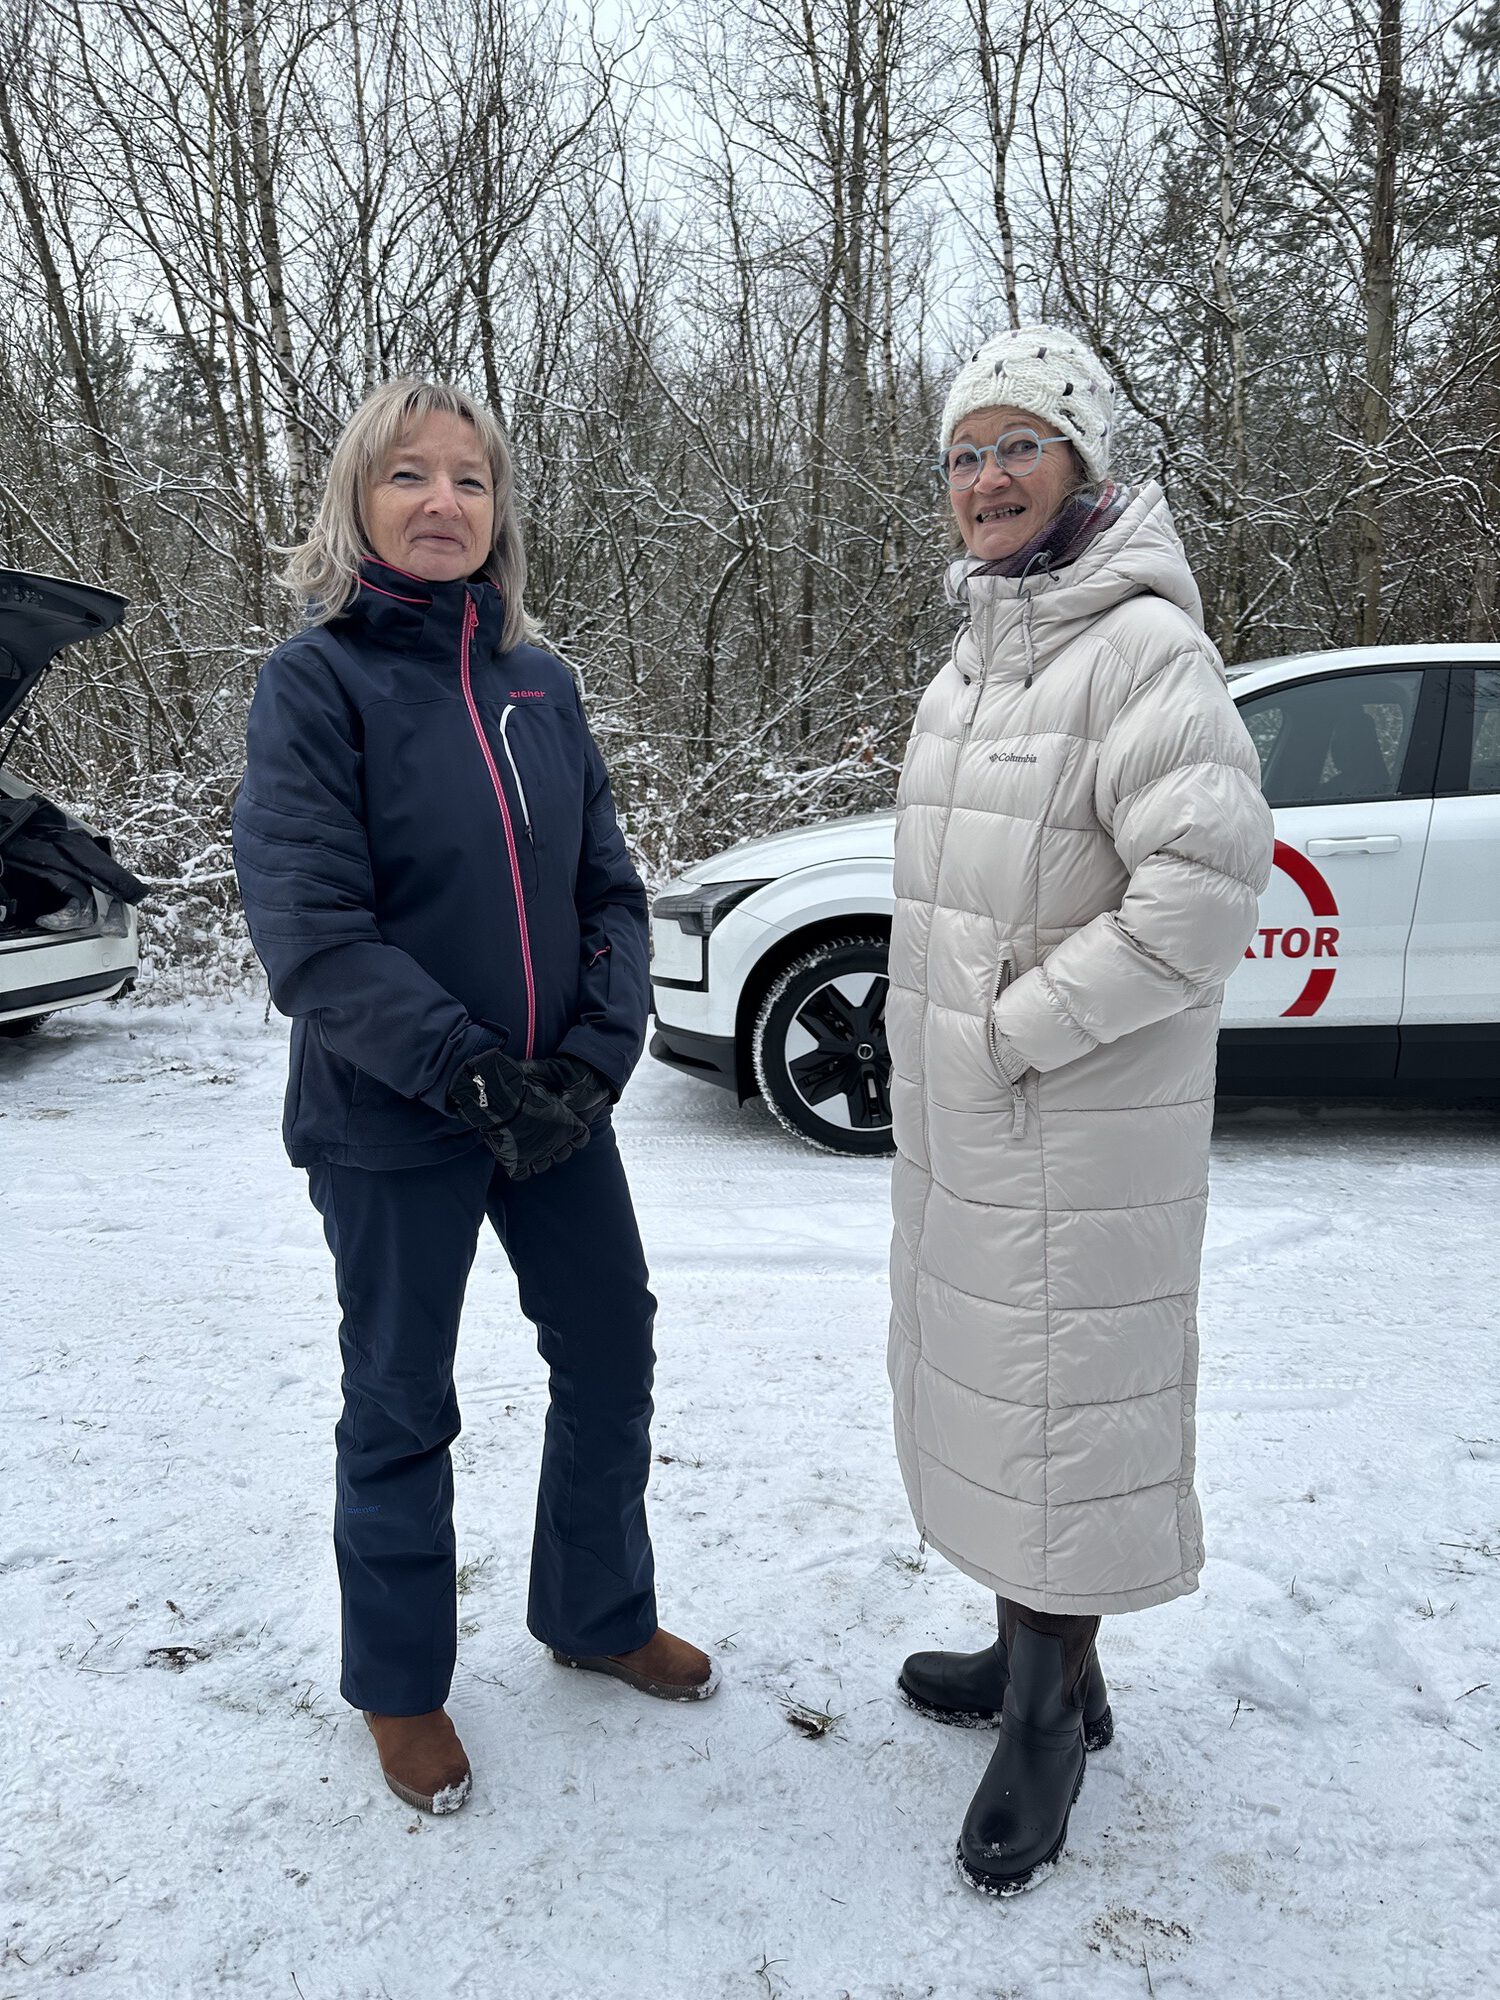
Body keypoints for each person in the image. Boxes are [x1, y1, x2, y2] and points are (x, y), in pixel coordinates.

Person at [232, 378, 717, 1819]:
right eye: (409, 475)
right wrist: (466, 1069)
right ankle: (399, 1682)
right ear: (358, 502)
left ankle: (597, 1609)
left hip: (555, 1107)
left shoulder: (537, 684)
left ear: (499, 512)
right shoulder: (315, 684)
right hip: (393, 1111)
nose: (443, 501)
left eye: (470, 479)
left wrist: (592, 1059)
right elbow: (311, 927)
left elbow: (609, 889)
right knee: (399, 1395)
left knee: (611, 1345)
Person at [886, 326, 1274, 1894]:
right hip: (984, 1130)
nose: (987, 479)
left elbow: (1207, 887)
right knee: (1008, 1405)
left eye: (1018, 447)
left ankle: (1051, 1719)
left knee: (1061, 1407)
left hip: (1079, 1121)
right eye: (965, 455)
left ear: (1082, 463)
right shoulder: (980, 653)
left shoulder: (1142, 651)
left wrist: (1023, 1027)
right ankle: (1038, 1658)